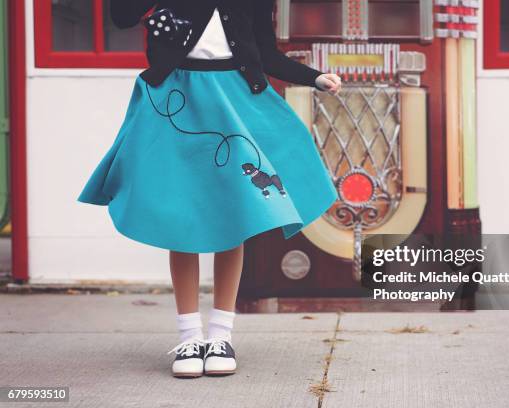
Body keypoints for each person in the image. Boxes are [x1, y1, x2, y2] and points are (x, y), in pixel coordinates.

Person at [77, 0, 341, 378]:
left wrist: (313, 77)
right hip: (176, 100)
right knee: (180, 217)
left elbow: (265, 54)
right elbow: (119, 16)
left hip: (233, 101)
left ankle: (221, 335)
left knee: (232, 215)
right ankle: (189, 336)